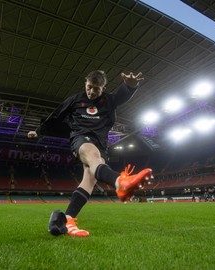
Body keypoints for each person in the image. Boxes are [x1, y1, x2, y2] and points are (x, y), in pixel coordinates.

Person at [28, 70, 153, 237]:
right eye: (89, 87)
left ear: (103, 88)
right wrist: (38, 131)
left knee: (89, 178)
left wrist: (130, 85)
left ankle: (68, 220)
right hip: (80, 138)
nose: (92, 92)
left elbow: (121, 96)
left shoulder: (108, 100)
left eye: (96, 89)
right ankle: (119, 182)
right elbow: (56, 116)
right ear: (85, 84)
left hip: (100, 143)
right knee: (93, 156)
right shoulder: (75, 99)